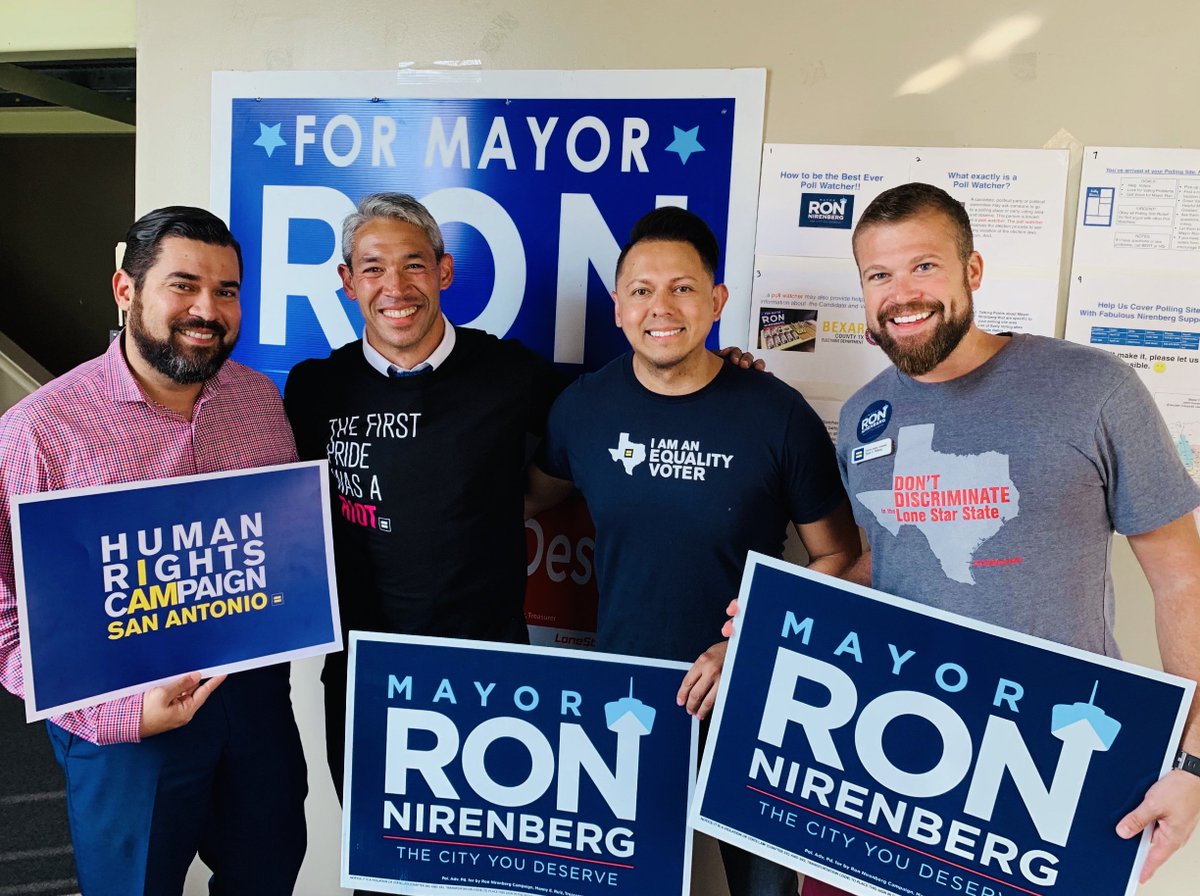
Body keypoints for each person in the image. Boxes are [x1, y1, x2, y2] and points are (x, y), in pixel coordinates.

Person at [826, 181, 1200, 887]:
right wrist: (769, 618)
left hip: (1062, 754)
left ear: (973, 270)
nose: (901, 293)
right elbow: (887, 562)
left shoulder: (1092, 389)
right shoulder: (861, 416)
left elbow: (1184, 578)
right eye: (879, 275)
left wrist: (1193, 763)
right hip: (907, 749)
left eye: (924, 266)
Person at [525, 206, 862, 896]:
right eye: (642, 290)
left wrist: (747, 641)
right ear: (617, 305)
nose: (661, 307)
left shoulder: (777, 414)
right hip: (630, 701)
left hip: (757, 698)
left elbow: (841, 558)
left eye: (682, 288)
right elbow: (528, 498)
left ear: (717, 301)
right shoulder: (582, 410)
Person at [0, 207, 308, 895]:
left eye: (226, 290)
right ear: (124, 290)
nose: (208, 309)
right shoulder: (38, 431)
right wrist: (114, 715)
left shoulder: (257, 400)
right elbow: (3, 616)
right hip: (124, 714)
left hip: (254, 701)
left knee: (268, 872)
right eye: (183, 284)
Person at [284, 193, 565, 795]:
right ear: (346, 282)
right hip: (365, 675)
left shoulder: (511, 373)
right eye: (373, 268)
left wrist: (717, 373)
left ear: (443, 271)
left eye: (414, 264)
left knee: (484, 872)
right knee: (377, 871)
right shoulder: (314, 390)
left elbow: (618, 412)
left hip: (488, 672)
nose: (396, 286)